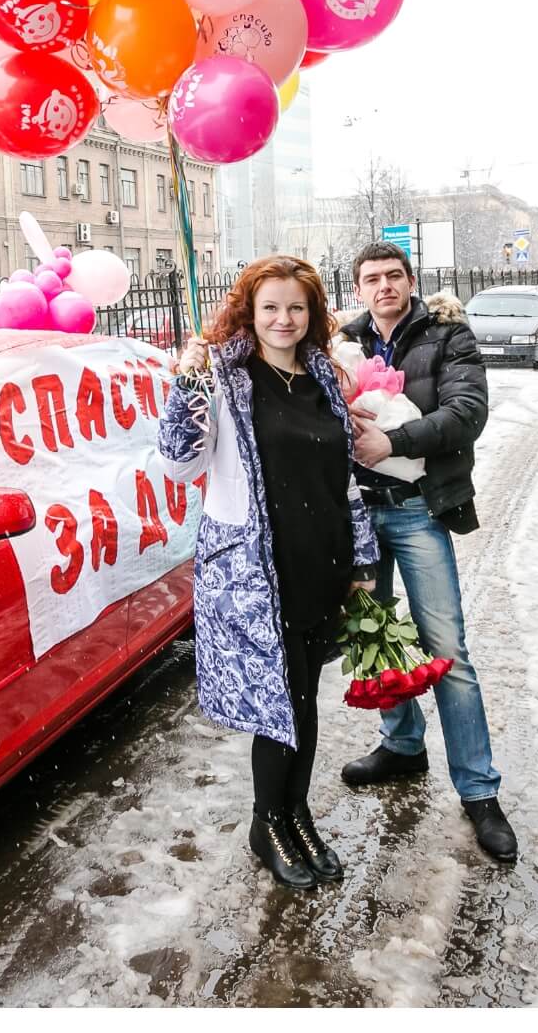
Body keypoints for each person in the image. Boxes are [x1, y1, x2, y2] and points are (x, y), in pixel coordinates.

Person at [159, 256, 379, 891]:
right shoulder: (224, 379)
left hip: (322, 561)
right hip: (255, 573)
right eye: (271, 308)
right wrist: (186, 386)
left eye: (296, 308)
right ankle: (268, 823)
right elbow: (177, 464)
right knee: (276, 708)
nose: (284, 319)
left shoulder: (323, 379)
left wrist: (361, 561)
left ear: (312, 315)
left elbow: (343, 480)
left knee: (304, 703)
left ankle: (298, 814)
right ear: (249, 313)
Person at [338, 241, 517, 862]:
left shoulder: (448, 337)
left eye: (394, 276)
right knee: (376, 636)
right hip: (358, 513)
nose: (384, 286)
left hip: (417, 514)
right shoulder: (343, 341)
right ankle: (402, 744)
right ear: (358, 287)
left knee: (448, 650)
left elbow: (466, 414)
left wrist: (391, 442)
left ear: (411, 281)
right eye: (372, 279)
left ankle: (479, 791)